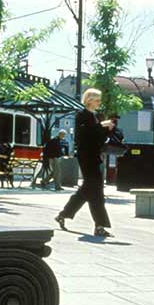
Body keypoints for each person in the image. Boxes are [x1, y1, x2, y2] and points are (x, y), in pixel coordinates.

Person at [55, 88, 115, 237]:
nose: (99, 102)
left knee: (88, 190)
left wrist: (108, 129)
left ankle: (64, 215)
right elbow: (84, 135)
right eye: (97, 100)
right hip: (86, 157)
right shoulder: (81, 116)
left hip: (95, 156)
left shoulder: (97, 116)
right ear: (89, 100)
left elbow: (98, 137)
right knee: (95, 189)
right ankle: (99, 226)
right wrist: (101, 125)